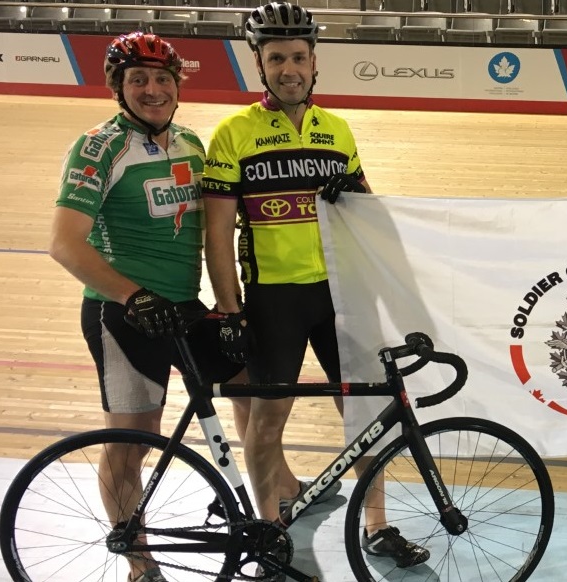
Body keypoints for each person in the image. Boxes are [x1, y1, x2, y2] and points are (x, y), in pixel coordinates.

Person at [201, 1, 429, 568]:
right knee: (267, 417)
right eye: (276, 57)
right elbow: (216, 234)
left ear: (314, 62)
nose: (289, 68)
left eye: (298, 57)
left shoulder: (337, 130)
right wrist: (230, 311)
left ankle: (376, 524)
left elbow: (369, 213)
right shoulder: (235, 133)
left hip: (339, 295)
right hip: (274, 298)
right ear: (259, 64)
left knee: (367, 412)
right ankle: (267, 528)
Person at [48, 31, 247, 582]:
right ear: (119, 88)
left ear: (177, 85)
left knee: (254, 384)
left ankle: (272, 499)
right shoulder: (98, 146)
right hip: (124, 313)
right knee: (131, 440)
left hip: (183, 305)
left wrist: (229, 310)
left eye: (163, 78)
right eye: (138, 79)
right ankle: (140, 562)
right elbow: (65, 244)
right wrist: (131, 294)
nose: (152, 89)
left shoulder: (190, 143)